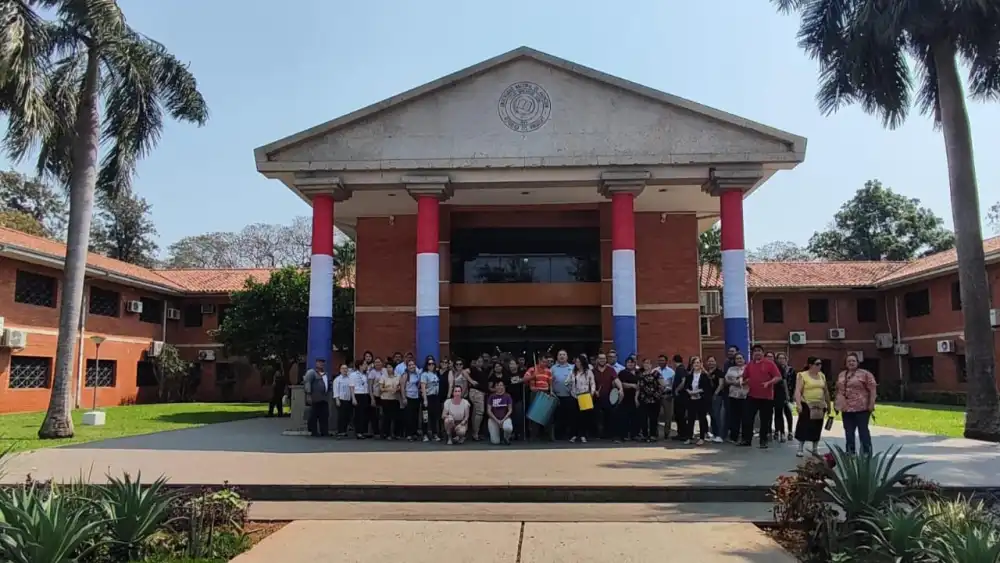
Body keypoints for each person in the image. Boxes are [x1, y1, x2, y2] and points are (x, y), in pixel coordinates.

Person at [741, 345, 783, 448]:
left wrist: (769, 383)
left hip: (766, 397)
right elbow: (744, 378)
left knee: (765, 420)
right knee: (748, 418)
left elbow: (778, 377)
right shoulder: (749, 365)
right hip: (752, 395)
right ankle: (747, 440)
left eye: (759, 351)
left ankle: (763, 441)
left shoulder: (769, 364)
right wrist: (745, 382)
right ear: (752, 353)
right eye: (755, 351)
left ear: (763, 353)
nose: (757, 353)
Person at [835, 353, 877, 455]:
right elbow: (838, 390)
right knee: (849, 432)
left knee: (863, 431)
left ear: (857, 362)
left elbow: (872, 389)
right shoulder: (841, 375)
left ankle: (866, 452)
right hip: (846, 409)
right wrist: (836, 403)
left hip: (861, 408)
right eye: (849, 361)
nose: (851, 363)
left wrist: (871, 404)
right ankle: (850, 451)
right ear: (845, 363)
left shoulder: (865, 374)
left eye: (853, 361)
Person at [794, 356, 831, 457]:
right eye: (817, 364)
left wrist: (829, 405)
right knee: (804, 426)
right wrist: (798, 404)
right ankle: (800, 448)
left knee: (817, 426)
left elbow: (826, 390)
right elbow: (798, 390)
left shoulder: (822, 375)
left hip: (819, 405)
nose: (820, 366)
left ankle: (815, 448)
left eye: (820, 364)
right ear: (810, 365)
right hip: (807, 404)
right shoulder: (802, 375)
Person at [682, 356, 713, 445]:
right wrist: (690, 392)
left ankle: (702, 437)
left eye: (698, 363)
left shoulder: (704, 376)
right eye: (694, 363)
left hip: (701, 399)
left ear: (701, 364)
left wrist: (697, 391)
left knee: (702, 419)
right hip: (691, 399)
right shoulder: (689, 375)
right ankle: (689, 437)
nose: (696, 364)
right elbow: (686, 386)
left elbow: (707, 388)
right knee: (690, 419)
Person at [523, 355, 554, 440]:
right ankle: (533, 436)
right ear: (539, 361)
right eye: (543, 362)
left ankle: (548, 436)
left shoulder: (548, 371)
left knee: (547, 415)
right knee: (534, 415)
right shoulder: (532, 369)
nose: (545, 363)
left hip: (546, 392)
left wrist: (551, 392)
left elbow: (550, 383)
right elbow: (524, 379)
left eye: (546, 362)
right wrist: (533, 376)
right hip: (535, 393)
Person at [568, 353, 596, 443]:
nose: (577, 364)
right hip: (574, 396)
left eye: (579, 362)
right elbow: (567, 382)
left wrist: (592, 392)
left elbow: (592, 383)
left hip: (585, 396)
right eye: (576, 362)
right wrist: (569, 386)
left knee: (584, 416)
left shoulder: (588, 372)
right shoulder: (573, 372)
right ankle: (574, 435)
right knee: (574, 416)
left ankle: (583, 435)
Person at [636, 357, 664, 443]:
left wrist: (657, 395)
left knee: (653, 418)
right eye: (645, 363)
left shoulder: (656, 373)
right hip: (643, 399)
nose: (646, 365)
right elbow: (638, 388)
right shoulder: (640, 375)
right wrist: (636, 398)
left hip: (654, 400)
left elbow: (662, 385)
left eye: (648, 363)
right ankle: (644, 435)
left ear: (651, 365)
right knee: (643, 418)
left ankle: (653, 435)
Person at [303, 358, 331, 437]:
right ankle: (313, 432)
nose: (321, 364)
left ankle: (324, 431)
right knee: (313, 416)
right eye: (319, 363)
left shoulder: (325, 374)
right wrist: (308, 395)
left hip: (324, 399)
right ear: (316, 364)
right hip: (314, 398)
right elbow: (307, 383)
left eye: (322, 363)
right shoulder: (311, 373)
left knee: (325, 416)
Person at [550, 350, 575, 440]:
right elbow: (550, 382)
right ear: (557, 357)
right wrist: (551, 392)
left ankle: (569, 435)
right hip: (557, 396)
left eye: (564, 354)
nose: (562, 356)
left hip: (570, 396)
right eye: (560, 354)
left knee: (570, 416)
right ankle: (558, 435)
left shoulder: (572, 367)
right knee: (558, 417)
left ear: (567, 357)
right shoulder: (553, 368)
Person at [592, 353, 618, 439]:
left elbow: (616, 380)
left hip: (609, 397)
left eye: (603, 358)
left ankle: (609, 434)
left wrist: (620, 388)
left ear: (606, 360)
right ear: (597, 360)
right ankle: (598, 434)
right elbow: (590, 383)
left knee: (609, 416)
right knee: (597, 417)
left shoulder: (611, 370)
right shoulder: (593, 371)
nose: (602, 360)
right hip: (596, 398)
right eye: (600, 358)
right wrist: (594, 391)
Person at [375, 362, 403, 439]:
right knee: (387, 417)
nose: (388, 369)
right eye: (387, 367)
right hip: (385, 398)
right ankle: (386, 434)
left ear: (393, 368)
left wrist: (397, 389)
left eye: (390, 367)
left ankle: (396, 434)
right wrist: (388, 389)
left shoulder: (398, 376)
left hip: (395, 398)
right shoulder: (383, 377)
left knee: (396, 417)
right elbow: (381, 388)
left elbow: (401, 386)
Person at [615, 356, 640, 442]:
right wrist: (632, 385)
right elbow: (620, 384)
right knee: (624, 418)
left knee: (635, 418)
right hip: (625, 398)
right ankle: (623, 435)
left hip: (636, 398)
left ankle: (634, 435)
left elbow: (640, 385)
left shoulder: (638, 373)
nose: (630, 364)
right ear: (626, 363)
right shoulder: (622, 373)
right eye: (628, 362)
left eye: (632, 362)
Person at [724, 353, 748, 443]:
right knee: (734, 417)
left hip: (745, 396)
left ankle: (745, 437)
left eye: (741, 358)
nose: (739, 360)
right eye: (737, 359)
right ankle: (734, 437)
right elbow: (726, 380)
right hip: (733, 395)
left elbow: (749, 379)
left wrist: (739, 382)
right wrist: (735, 382)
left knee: (745, 417)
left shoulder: (747, 368)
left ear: (744, 359)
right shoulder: (731, 369)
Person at [773, 352, 796, 443]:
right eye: (779, 358)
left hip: (789, 394)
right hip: (778, 395)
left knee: (788, 413)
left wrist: (793, 395)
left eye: (783, 358)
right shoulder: (776, 369)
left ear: (786, 360)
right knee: (778, 413)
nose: (781, 360)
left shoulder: (791, 370)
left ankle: (790, 431)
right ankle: (778, 431)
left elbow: (794, 383)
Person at [348, 359, 372, 439]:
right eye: (364, 364)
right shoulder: (353, 375)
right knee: (359, 414)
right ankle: (358, 432)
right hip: (357, 394)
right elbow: (351, 387)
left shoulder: (365, 375)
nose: (366, 366)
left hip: (365, 394)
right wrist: (353, 398)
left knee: (364, 414)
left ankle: (363, 431)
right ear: (360, 366)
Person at [705, 356, 726, 444]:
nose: (711, 363)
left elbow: (721, 385)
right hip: (707, 396)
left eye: (712, 361)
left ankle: (719, 435)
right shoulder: (707, 373)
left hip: (717, 396)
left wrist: (715, 394)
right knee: (712, 415)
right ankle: (714, 434)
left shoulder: (719, 372)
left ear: (716, 362)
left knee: (717, 415)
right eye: (709, 361)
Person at [467, 357, 488, 441]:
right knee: (480, 412)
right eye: (478, 361)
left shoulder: (483, 370)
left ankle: (475, 433)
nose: (479, 363)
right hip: (476, 392)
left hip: (481, 393)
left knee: (475, 413)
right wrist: (471, 381)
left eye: (481, 361)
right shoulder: (473, 369)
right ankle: (475, 433)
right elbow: (464, 372)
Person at [421, 358, 442, 442]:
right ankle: (425, 434)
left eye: (433, 364)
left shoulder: (435, 374)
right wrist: (425, 400)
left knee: (434, 417)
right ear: (426, 365)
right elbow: (423, 387)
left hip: (435, 397)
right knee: (425, 417)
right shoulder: (424, 374)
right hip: (428, 396)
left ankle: (434, 434)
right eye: (429, 364)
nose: (431, 365)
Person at [402, 359, 423, 441]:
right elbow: (402, 387)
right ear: (407, 367)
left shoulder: (417, 374)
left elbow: (418, 385)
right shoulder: (405, 375)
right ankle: (409, 434)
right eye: (409, 365)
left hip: (416, 397)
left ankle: (414, 433)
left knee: (415, 416)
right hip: (408, 397)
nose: (411, 366)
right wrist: (404, 398)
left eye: (413, 365)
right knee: (409, 417)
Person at [487, 380, 514, 445]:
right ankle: (499, 436)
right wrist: (497, 420)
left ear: (504, 387)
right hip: (494, 419)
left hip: (505, 418)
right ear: (495, 387)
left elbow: (510, 409)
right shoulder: (491, 396)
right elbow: (489, 410)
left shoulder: (507, 396)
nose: (499, 387)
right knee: (495, 442)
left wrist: (503, 420)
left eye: (501, 385)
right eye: (497, 385)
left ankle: (506, 438)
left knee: (508, 428)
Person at [506, 358, 527, 440]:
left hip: (519, 398)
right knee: (510, 416)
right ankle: (511, 433)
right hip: (509, 399)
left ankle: (519, 432)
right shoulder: (507, 374)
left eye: (513, 364)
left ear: (516, 365)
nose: (511, 365)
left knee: (519, 416)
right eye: (510, 364)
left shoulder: (521, 373)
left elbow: (525, 380)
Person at [656, 355, 675, 439]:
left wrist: (668, 388)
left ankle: (667, 433)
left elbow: (674, 384)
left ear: (666, 361)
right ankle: (655, 433)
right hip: (657, 395)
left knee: (668, 415)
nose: (661, 362)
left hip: (667, 395)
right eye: (659, 360)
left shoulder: (671, 372)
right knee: (655, 414)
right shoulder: (655, 371)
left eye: (663, 360)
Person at [671, 354, 689, 441]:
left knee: (680, 415)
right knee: (678, 415)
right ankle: (681, 433)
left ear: (674, 361)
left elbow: (683, 381)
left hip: (681, 396)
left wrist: (677, 390)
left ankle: (683, 434)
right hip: (681, 396)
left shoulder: (680, 369)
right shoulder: (682, 369)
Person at [332, 364, 353, 437]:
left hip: (348, 399)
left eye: (346, 368)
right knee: (341, 416)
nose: (345, 370)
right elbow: (335, 390)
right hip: (341, 399)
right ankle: (340, 431)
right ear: (340, 370)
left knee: (347, 416)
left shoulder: (350, 378)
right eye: (343, 368)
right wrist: (337, 400)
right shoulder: (337, 379)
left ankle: (345, 430)